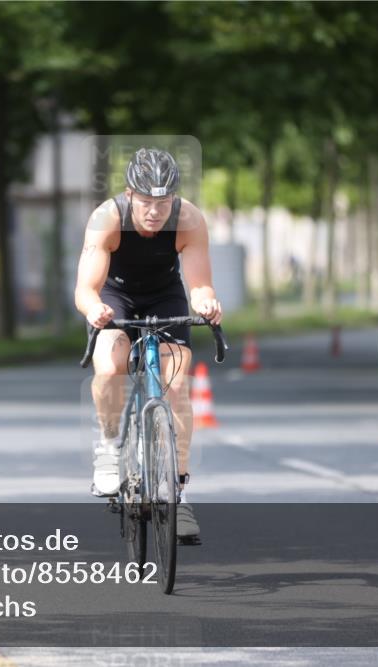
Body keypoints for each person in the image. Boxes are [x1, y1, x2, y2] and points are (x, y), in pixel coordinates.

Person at [74, 148, 222, 544]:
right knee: (109, 364)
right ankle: (108, 448)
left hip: (164, 296)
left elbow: (199, 283)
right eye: (146, 202)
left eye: (163, 202)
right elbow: (86, 289)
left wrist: (205, 301)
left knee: (176, 384)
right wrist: (96, 311)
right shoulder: (108, 218)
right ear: (129, 195)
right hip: (114, 297)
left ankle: (178, 493)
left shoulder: (188, 220)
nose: (155, 211)